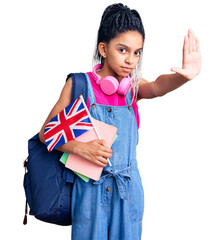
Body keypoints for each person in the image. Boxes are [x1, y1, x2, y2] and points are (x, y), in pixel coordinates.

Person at [39, 3, 201, 240]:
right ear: (103, 49)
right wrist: (79, 148)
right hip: (89, 194)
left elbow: (157, 86)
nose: (131, 61)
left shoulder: (132, 89)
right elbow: (46, 133)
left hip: (128, 192)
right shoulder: (79, 85)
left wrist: (182, 77)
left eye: (137, 52)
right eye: (122, 50)